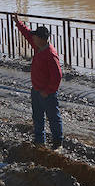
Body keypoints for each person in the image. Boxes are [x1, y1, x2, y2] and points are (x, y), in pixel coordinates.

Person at [13, 16, 63, 149]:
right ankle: (39, 141)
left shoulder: (50, 54)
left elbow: (57, 76)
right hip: (36, 89)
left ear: (41, 39)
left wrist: (48, 91)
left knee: (53, 117)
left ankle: (57, 143)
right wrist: (18, 23)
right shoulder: (39, 46)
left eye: (35, 36)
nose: (33, 38)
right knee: (37, 116)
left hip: (46, 93)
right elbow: (27, 34)